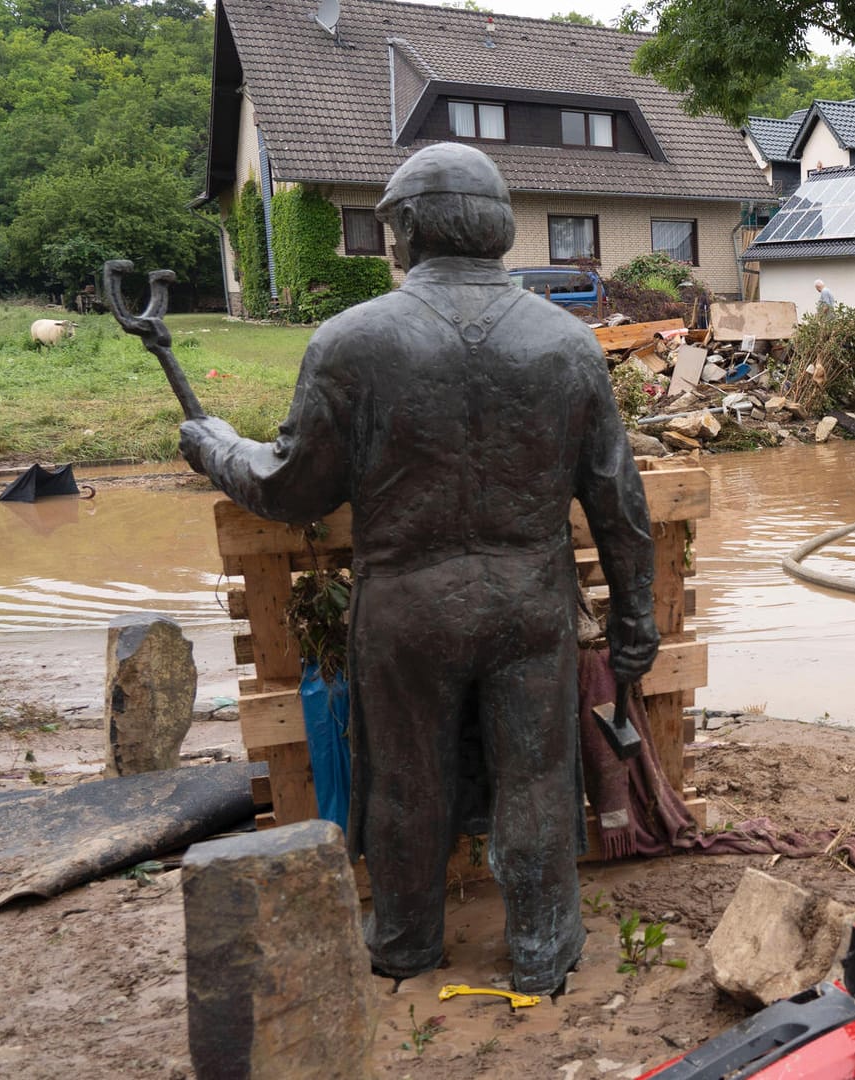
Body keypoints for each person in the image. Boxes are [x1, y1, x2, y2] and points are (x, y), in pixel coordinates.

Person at [177, 143, 658, 996]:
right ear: (499, 229)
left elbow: (290, 487)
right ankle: (544, 946)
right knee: (538, 780)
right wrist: (634, 618)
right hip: (528, 603)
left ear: (402, 229)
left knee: (403, 778)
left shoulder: (351, 342)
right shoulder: (567, 344)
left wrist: (214, 446)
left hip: (407, 605)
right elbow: (618, 501)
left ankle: (404, 940)